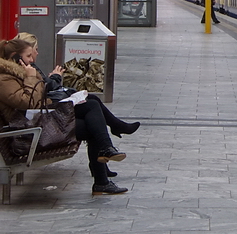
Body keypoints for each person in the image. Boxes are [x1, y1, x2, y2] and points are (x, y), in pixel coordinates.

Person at [3, 37, 138, 194]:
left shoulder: (20, 73)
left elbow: (39, 94)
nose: (32, 59)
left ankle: (106, 153)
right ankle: (106, 158)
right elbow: (28, 102)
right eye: (28, 56)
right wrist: (31, 77)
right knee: (91, 122)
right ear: (14, 57)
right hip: (29, 130)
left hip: (39, 118)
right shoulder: (5, 78)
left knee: (92, 105)